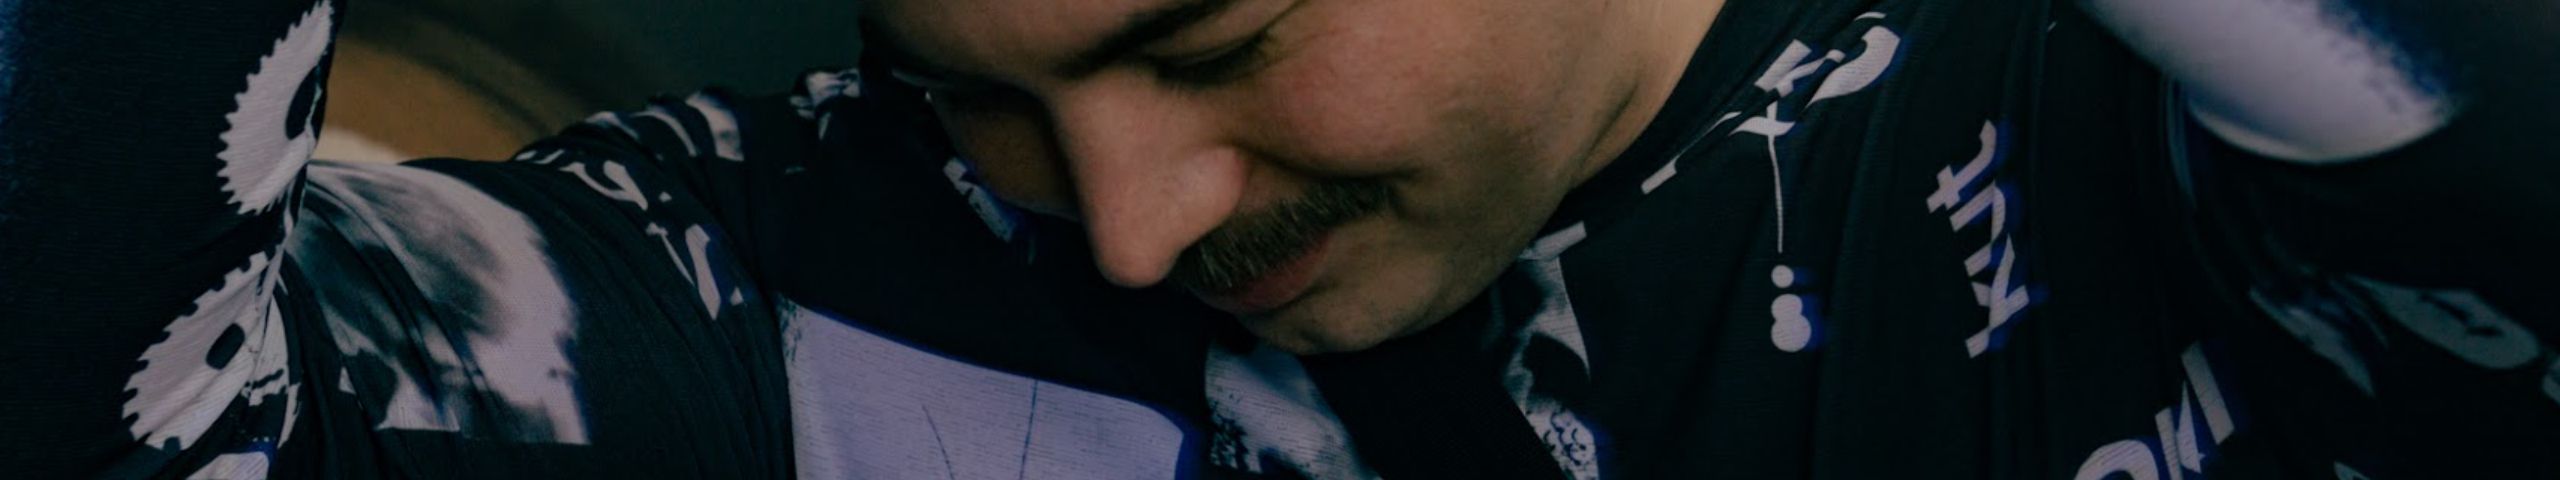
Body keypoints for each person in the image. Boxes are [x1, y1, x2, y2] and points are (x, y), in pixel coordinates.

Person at [2, 0, 2553, 478]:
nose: (1126, 227)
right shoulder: (791, 260)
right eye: (984, 92)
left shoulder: (2131, 125)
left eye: (1217, 41)